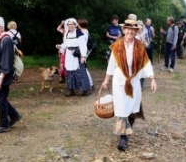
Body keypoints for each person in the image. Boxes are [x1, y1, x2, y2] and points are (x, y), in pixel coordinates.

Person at [101, 16, 157, 151]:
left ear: (136, 31)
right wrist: (106, 80)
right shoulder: (117, 46)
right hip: (120, 80)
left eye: (133, 30)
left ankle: (129, 125)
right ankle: (123, 137)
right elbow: (111, 64)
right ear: (124, 29)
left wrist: (152, 78)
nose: (130, 32)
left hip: (134, 80)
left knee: (132, 108)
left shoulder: (139, 46)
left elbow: (146, 63)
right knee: (122, 108)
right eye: (128, 29)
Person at [56, 18, 90, 97]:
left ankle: (84, 90)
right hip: (69, 55)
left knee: (80, 72)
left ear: (75, 25)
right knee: (69, 72)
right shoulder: (67, 34)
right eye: (69, 25)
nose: (70, 26)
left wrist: (83, 56)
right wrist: (60, 46)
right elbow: (65, 44)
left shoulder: (79, 34)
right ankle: (71, 89)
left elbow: (83, 46)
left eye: (72, 24)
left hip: (77, 55)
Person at [77, 18, 95, 91]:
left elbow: (82, 44)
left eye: (78, 23)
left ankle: (90, 84)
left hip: (82, 52)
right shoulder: (85, 31)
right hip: (83, 51)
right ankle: (88, 83)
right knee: (82, 67)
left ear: (80, 24)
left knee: (83, 68)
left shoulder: (83, 32)